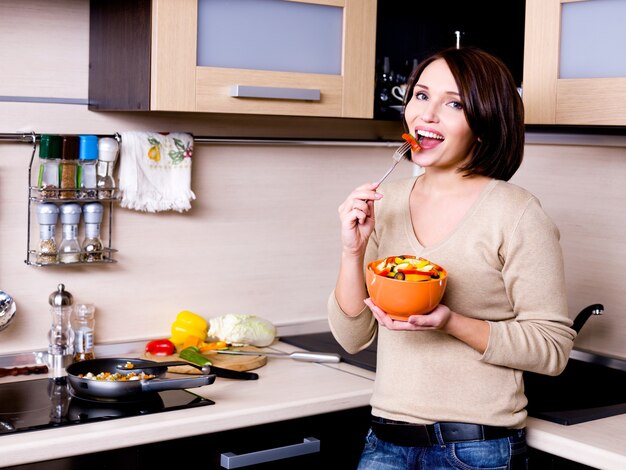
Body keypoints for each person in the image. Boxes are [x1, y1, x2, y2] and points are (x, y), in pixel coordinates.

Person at [328, 47, 577, 469]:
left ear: (484, 123)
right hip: (385, 442)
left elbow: (552, 350)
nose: (427, 114)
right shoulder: (386, 204)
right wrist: (352, 250)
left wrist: (450, 321)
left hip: (475, 449)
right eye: (421, 96)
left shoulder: (516, 214)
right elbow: (352, 338)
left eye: (454, 103)